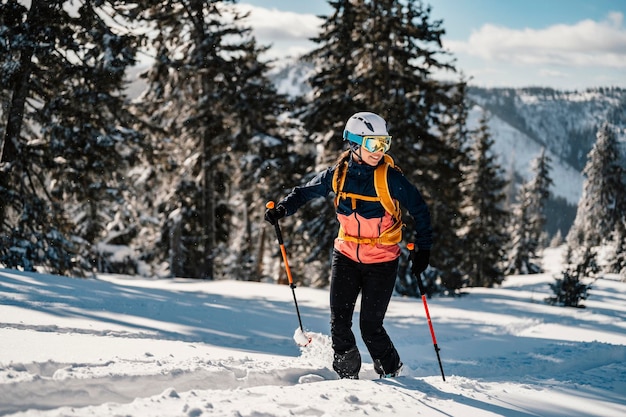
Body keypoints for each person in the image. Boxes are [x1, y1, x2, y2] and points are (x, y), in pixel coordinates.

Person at [265, 111, 432, 379]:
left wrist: (423, 248)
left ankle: (393, 372)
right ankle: (347, 381)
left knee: (370, 327)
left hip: (382, 261)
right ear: (354, 144)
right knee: (339, 325)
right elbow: (305, 192)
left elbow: (420, 210)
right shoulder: (338, 175)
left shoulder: (390, 178)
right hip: (345, 256)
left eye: (384, 144)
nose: (379, 151)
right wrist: (283, 209)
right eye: (373, 144)